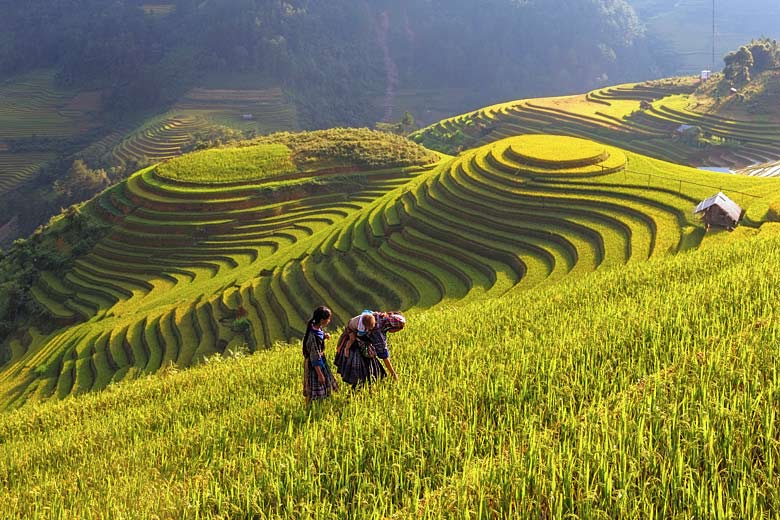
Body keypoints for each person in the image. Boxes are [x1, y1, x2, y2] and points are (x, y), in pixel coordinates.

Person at [335, 310, 405, 388]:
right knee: (363, 376)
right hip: (357, 345)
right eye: (396, 330)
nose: (395, 332)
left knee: (371, 375)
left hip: (357, 338)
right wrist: (393, 374)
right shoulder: (377, 331)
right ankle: (356, 394)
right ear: (391, 327)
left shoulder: (381, 317)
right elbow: (383, 355)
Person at [302, 306, 338, 402]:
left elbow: (319, 334)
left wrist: (324, 336)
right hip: (315, 365)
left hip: (320, 360)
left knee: (325, 384)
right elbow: (314, 356)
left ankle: (323, 401)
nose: (329, 321)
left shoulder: (315, 326)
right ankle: (313, 407)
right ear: (322, 320)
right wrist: (320, 374)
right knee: (317, 387)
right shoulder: (313, 337)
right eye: (328, 319)